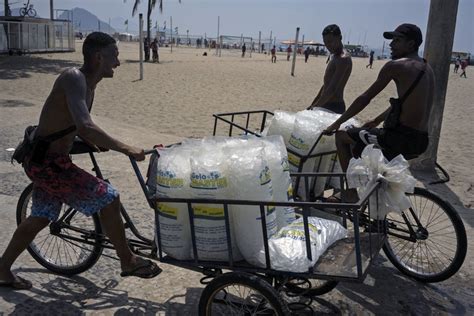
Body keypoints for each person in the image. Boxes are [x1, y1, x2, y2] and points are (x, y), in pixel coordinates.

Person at [0, 32, 162, 290]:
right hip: (47, 163)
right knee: (109, 197)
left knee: (41, 217)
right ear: (99, 57)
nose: (118, 63)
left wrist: (89, 141)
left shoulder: (89, 84)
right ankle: (127, 260)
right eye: (115, 57)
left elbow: (73, 125)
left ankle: (2, 269)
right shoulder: (73, 78)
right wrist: (126, 148)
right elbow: (85, 125)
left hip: (51, 161)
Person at [324, 23, 434, 202]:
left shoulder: (396, 66)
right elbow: (405, 103)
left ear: (411, 44)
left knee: (342, 136)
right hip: (421, 140)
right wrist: (376, 120)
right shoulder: (426, 68)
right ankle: (373, 197)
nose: (391, 45)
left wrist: (336, 124)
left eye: (397, 41)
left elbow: (364, 98)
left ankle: (350, 192)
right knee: (362, 141)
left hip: (398, 139)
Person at [308, 24, 352, 114]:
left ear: (340, 37)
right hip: (324, 103)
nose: (328, 45)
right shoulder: (335, 56)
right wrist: (313, 104)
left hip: (334, 107)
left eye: (331, 41)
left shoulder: (343, 58)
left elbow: (332, 89)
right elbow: (326, 85)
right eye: (325, 43)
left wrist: (315, 108)